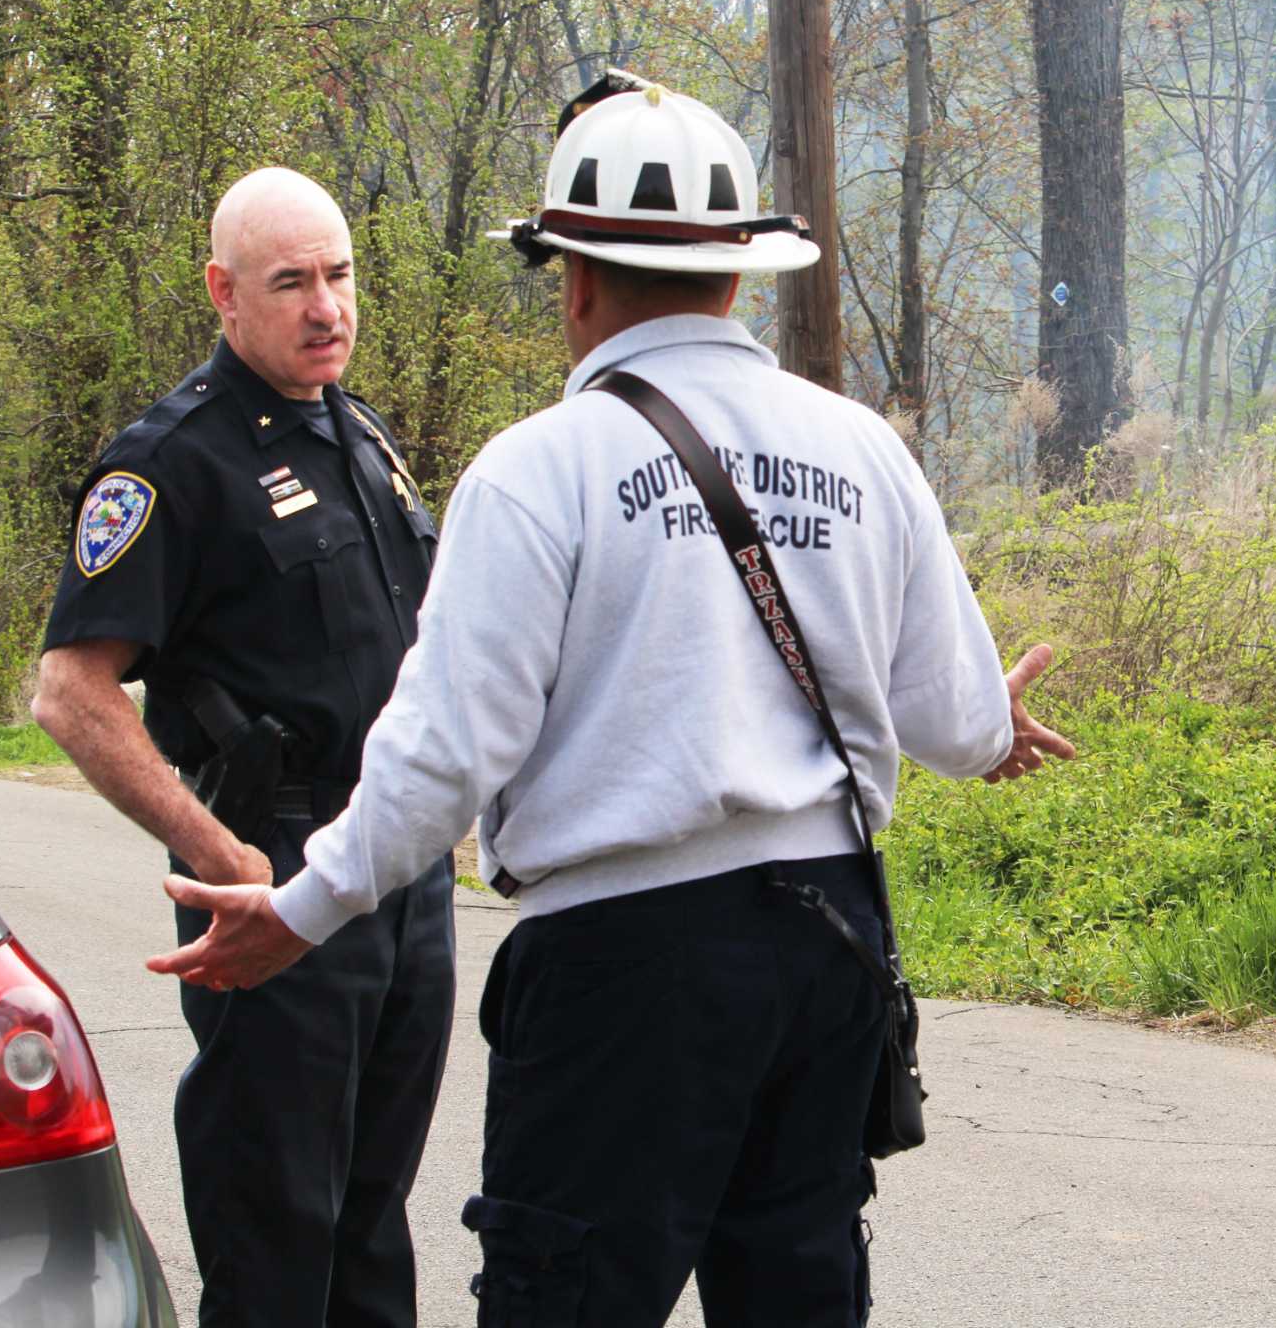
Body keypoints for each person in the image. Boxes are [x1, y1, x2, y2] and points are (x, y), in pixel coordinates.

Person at [147, 75, 1073, 1327]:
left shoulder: (539, 471)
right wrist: (991, 720)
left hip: (618, 971)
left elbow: (443, 751)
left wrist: (303, 910)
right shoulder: (863, 449)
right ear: (739, 276)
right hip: (827, 949)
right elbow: (960, 724)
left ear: (571, 278)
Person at [32, 167, 454, 1328]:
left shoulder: (359, 435)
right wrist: (217, 850)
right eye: (291, 282)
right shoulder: (172, 461)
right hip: (272, 866)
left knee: (373, 1220)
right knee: (277, 1229)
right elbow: (71, 691)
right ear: (224, 293)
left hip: (397, 868)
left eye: (340, 275)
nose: (327, 307)